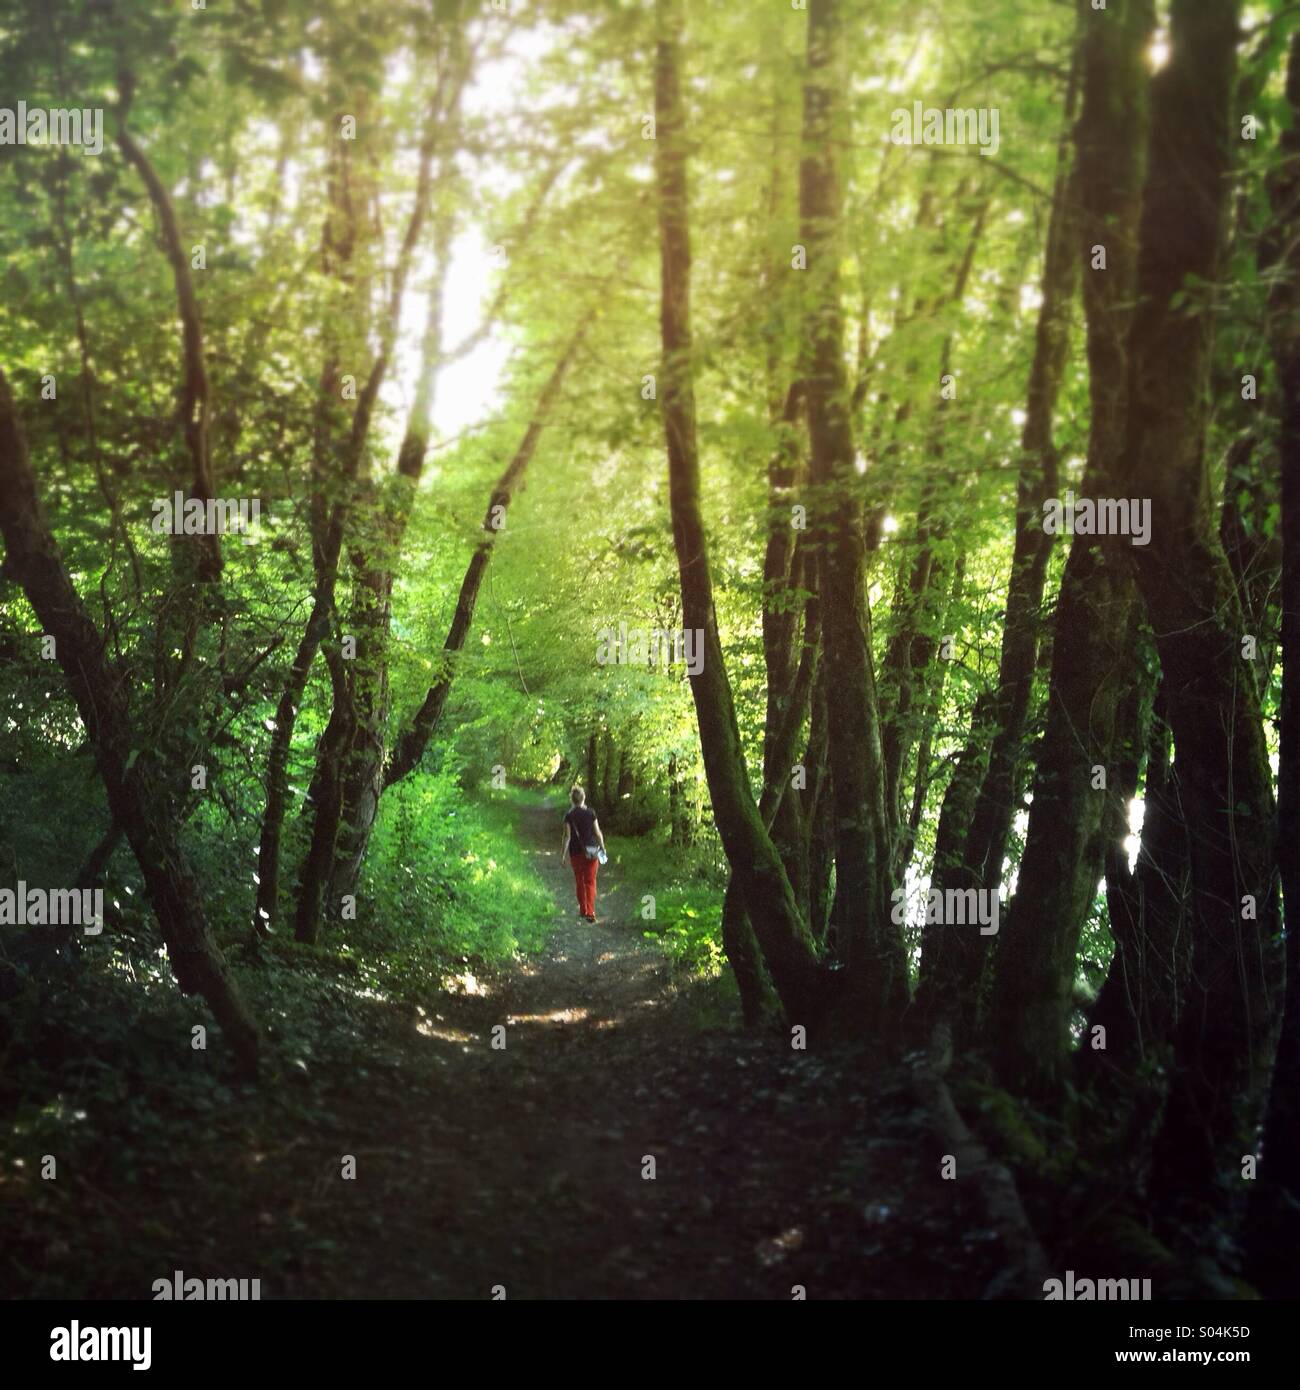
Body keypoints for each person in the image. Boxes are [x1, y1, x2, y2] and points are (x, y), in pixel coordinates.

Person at [561, 785, 606, 923]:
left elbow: (567, 837)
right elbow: (597, 833)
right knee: (590, 882)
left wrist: (563, 855)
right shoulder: (591, 813)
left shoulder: (569, 816)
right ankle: (591, 912)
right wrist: (603, 847)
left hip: (575, 853)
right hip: (591, 852)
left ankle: (583, 910)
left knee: (580, 881)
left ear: (572, 800)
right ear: (583, 798)